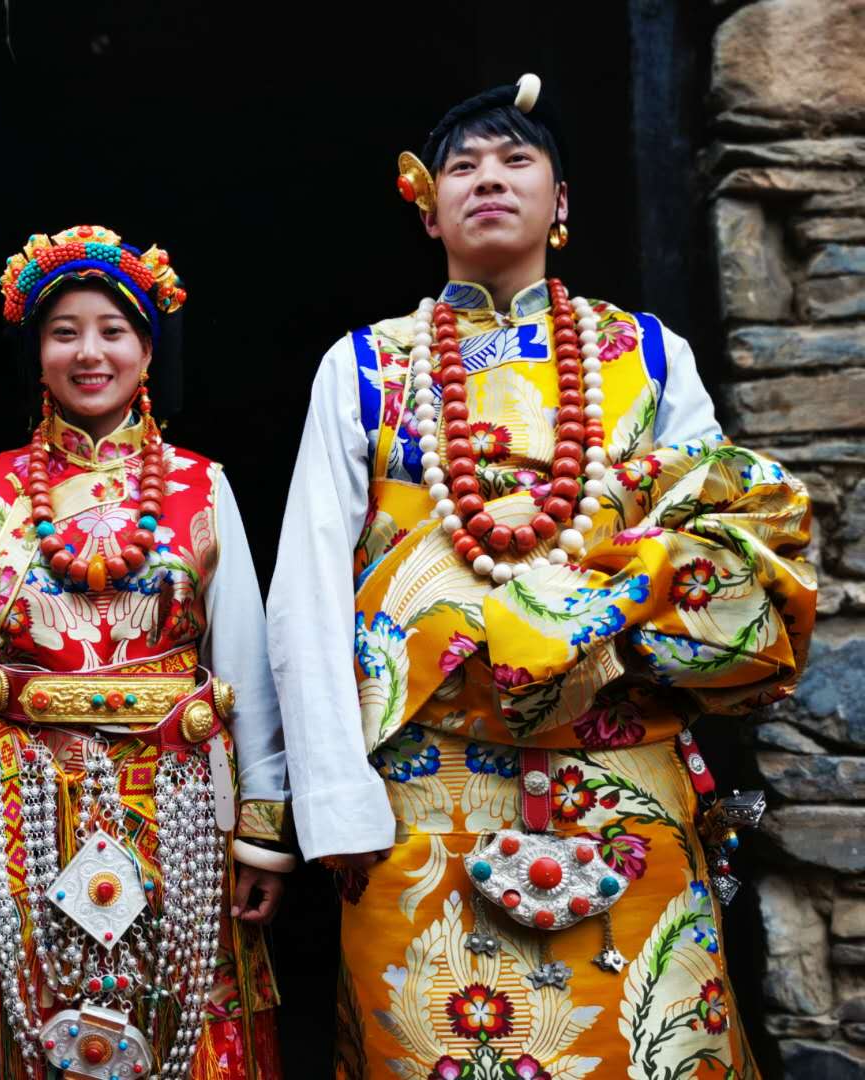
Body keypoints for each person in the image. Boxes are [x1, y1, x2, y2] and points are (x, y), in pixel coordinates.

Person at [267, 75, 816, 1076]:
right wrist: (334, 799)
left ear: (561, 200)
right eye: (462, 166)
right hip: (417, 795)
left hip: (622, 787)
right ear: (426, 207)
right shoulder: (366, 366)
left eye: (516, 160)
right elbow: (306, 590)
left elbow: (726, 537)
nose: (489, 179)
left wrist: (622, 603)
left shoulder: (649, 354)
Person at [0, 225, 289, 1078]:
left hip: (178, 804)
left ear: (148, 350)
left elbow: (243, 665)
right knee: (31, 1029)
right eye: (64, 333)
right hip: (17, 811)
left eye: (113, 330)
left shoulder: (203, 485)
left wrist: (264, 829)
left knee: (180, 1020)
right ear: (37, 353)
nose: (89, 353)